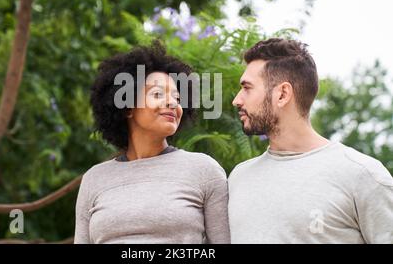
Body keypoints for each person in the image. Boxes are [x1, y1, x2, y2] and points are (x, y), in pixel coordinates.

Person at [229, 38, 393, 244]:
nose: (236, 100)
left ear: (282, 94)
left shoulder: (363, 176)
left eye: (247, 88)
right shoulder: (238, 178)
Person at [74, 41, 230, 244]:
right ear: (127, 107)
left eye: (177, 97)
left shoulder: (204, 170)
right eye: (157, 94)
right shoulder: (94, 179)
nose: (172, 103)